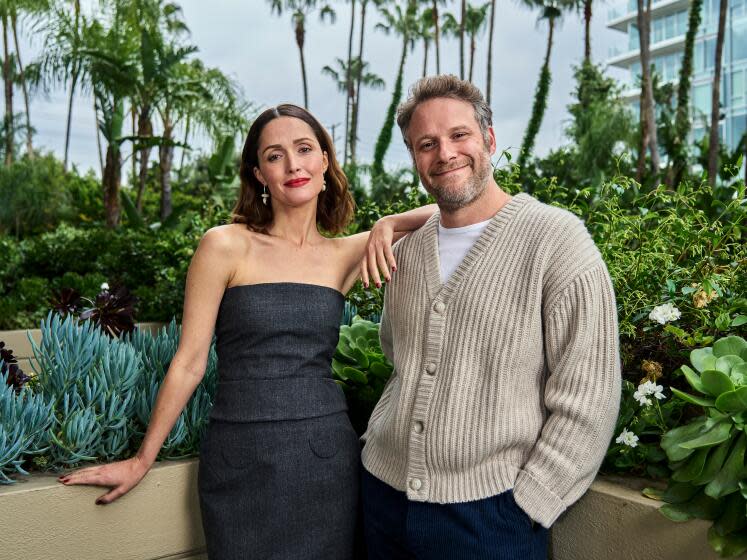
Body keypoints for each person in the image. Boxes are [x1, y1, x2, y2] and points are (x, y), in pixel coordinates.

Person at [56, 103, 436, 560]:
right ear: (258, 173)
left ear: (325, 162)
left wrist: (387, 223)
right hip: (239, 458)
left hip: (325, 461)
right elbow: (189, 363)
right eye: (275, 156)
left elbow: (447, 208)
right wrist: (142, 460)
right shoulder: (224, 245)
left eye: (304, 149)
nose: (293, 165)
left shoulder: (343, 254)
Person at [359, 75, 622, 559]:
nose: (445, 153)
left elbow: (590, 395)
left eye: (459, 135)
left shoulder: (556, 240)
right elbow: (399, 358)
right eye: (427, 143)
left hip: (492, 518)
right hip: (382, 497)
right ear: (414, 156)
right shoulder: (406, 252)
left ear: (489, 138)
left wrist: (530, 502)